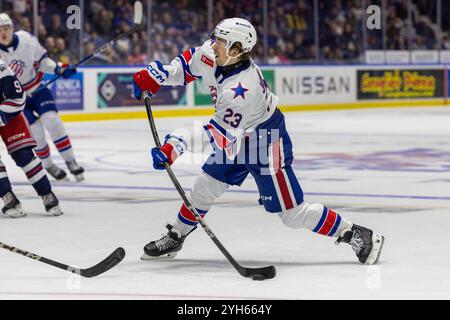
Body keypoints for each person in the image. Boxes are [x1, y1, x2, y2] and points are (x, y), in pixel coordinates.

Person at [132, 18, 384, 264]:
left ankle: (354, 233)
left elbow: (217, 136)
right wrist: (160, 76)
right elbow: (188, 65)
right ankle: (177, 235)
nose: (213, 44)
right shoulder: (213, 53)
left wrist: (176, 144)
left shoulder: (242, 88)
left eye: (221, 41)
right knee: (205, 186)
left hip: (265, 140)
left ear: (237, 49)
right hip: (237, 135)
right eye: (216, 38)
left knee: (292, 214)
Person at [0, 13, 84, 182]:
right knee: (36, 135)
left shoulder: (26, 40)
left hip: (37, 90)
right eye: (0, 29)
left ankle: (70, 161)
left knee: (53, 122)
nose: (4, 32)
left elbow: (43, 62)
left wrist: (60, 69)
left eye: (7, 28)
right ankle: (48, 165)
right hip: (17, 101)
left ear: (12, 28)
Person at [0, 58, 63, 217]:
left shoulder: (1, 69)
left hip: (9, 113)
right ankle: (9, 198)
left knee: (23, 155)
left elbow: (18, 99)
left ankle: (47, 194)